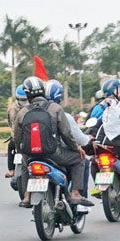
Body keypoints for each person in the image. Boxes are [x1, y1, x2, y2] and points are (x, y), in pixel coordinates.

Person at [13, 76, 92, 208]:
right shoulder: (55, 108)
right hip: (53, 153)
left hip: (31, 155)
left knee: (25, 162)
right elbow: (66, 133)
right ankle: (75, 193)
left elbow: (17, 136)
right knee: (79, 160)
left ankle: (27, 195)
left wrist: (21, 150)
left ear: (27, 94)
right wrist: (76, 148)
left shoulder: (22, 112)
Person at [5, 85, 28, 178]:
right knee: (11, 145)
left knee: (11, 145)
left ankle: (11, 170)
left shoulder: (12, 108)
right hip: (27, 135)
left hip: (17, 136)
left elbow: (10, 123)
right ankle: (11, 170)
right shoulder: (32, 106)